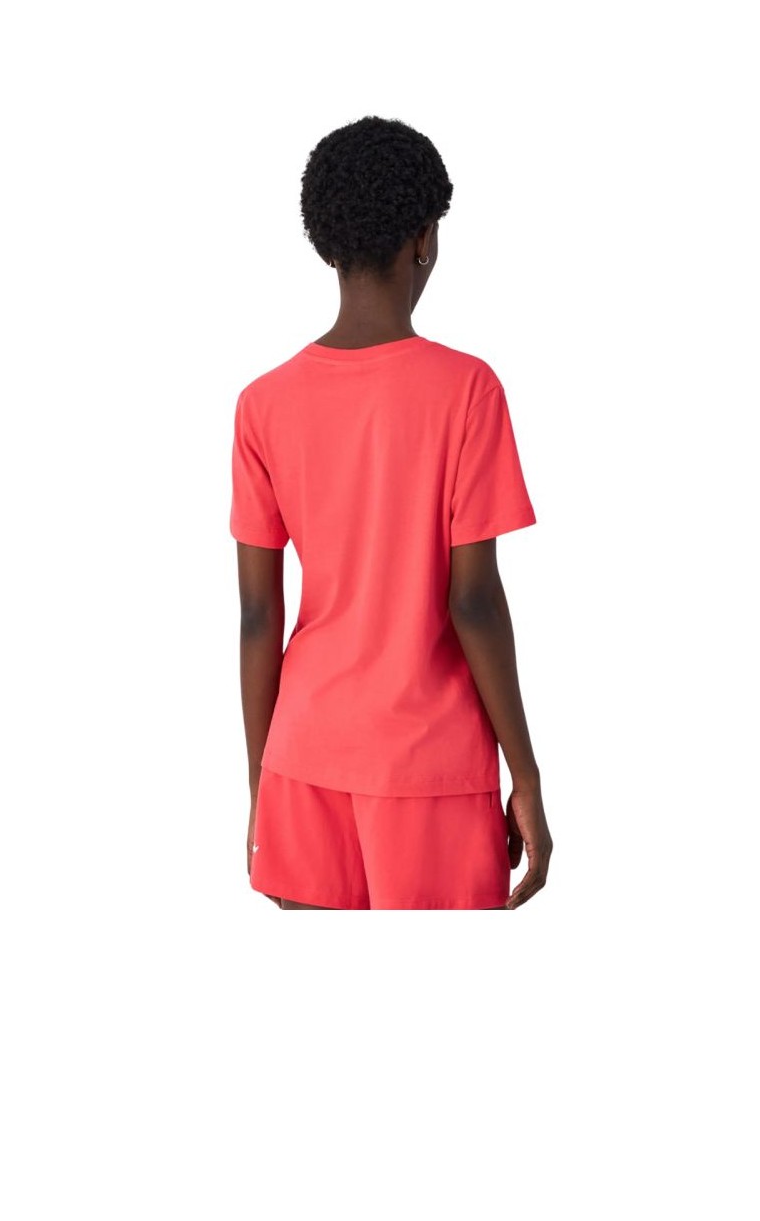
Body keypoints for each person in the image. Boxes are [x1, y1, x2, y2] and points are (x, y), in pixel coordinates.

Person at [230, 115, 552, 910]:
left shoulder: (263, 403)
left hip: (302, 757)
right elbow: (474, 601)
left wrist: (263, 784)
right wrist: (527, 776)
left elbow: (258, 616)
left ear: (325, 244)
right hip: (428, 765)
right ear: (425, 239)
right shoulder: (468, 390)